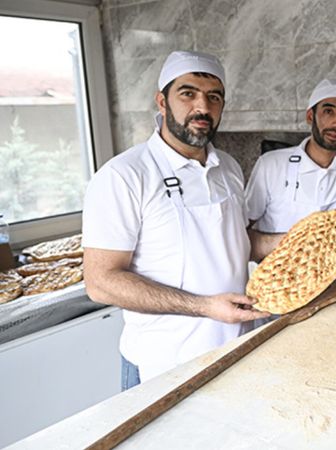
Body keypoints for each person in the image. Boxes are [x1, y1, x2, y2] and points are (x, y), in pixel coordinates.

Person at [82, 51, 271, 389]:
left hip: (236, 349)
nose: (202, 107)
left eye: (214, 97)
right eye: (188, 93)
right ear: (162, 101)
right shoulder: (125, 175)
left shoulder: (227, 167)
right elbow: (100, 282)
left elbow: (237, 241)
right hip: (164, 364)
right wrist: (204, 307)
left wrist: (297, 237)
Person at [245, 79, 336, 285]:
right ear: (310, 116)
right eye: (328, 111)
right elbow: (241, 229)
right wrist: (293, 242)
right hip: (275, 281)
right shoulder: (270, 164)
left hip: (333, 279)